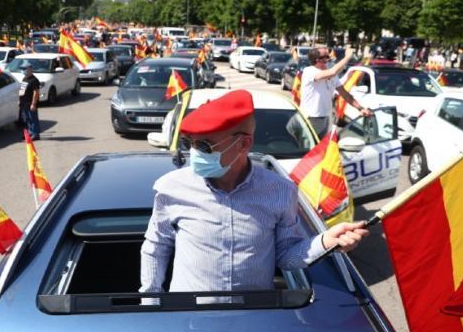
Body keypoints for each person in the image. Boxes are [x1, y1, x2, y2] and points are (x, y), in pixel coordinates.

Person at [140, 90, 369, 294]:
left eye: (204, 146)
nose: (194, 153)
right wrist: (151, 303)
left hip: (256, 320)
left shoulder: (280, 191)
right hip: (189, 320)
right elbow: (156, 247)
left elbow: (286, 256)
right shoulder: (171, 188)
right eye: (189, 142)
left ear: (243, 144)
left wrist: (324, 242)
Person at [299, 47, 373, 137]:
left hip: (326, 117)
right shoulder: (309, 71)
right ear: (318, 60)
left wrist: (360, 108)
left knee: (323, 147)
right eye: (326, 56)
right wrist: (347, 57)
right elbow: (333, 71)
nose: (329, 58)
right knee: (312, 147)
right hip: (311, 117)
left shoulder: (331, 75)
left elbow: (345, 94)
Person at [19, 62, 41, 140]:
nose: (23, 70)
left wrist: (33, 104)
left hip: (30, 103)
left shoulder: (34, 80)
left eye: (24, 69)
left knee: (33, 119)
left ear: (30, 69)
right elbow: (22, 90)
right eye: (22, 69)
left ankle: (35, 134)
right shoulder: (24, 79)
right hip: (24, 103)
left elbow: (36, 92)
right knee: (27, 119)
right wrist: (19, 100)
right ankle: (30, 133)